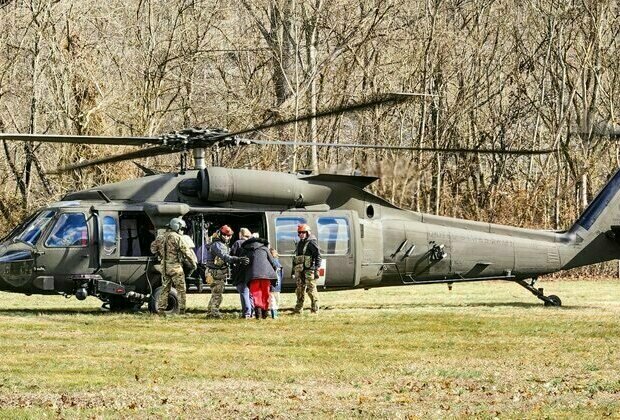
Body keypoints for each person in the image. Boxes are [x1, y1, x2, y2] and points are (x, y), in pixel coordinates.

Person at [150, 217, 197, 314]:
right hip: (175, 267)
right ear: (177, 227)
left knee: (165, 288)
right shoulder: (177, 237)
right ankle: (182, 310)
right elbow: (187, 252)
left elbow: (153, 249)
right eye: (181, 228)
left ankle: (161, 309)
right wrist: (193, 264)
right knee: (181, 289)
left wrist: (161, 254)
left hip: (164, 267)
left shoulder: (160, 237)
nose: (181, 230)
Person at [204, 225, 249, 318]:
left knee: (215, 293)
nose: (227, 237)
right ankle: (213, 313)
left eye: (229, 235)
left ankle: (211, 312)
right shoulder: (218, 245)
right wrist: (238, 259)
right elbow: (225, 257)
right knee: (217, 294)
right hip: (215, 272)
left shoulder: (219, 244)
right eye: (225, 235)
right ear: (220, 234)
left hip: (214, 272)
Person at [240, 236, 277, 319]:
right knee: (265, 293)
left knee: (256, 294)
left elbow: (243, 264)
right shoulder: (264, 248)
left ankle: (258, 314)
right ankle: (265, 313)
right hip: (266, 274)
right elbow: (272, 262)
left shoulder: (246, 250)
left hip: (253, 276)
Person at [292, 223, 321, 314]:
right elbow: (296, 258)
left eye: (303, 232)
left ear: (307, 232)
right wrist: (293, 271)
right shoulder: (299, 243)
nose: (301, 234)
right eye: (299, 232)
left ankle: (315, 309)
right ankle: (298, 309)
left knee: (311, 289)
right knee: (299, 289)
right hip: (299, 270)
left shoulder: (312, 242)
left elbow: (318, 256)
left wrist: (316, 269)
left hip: (309, 270)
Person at [230, 227, 253, 318]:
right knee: (250, 293)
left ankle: (247, 313)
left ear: (240, 234)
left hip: (240, 271)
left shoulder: (238, 243)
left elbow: (232, 255)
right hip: (251, 271)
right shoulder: (252, 243)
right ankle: (253, 311)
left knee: (244, 292)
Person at [269, 248, 283, 318]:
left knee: (272, 299)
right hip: (276, 285)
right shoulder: (277, 262)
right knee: (275, 299)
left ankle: (274, 312)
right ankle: (274, 313)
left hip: (272, 284)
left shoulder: (270, 262)